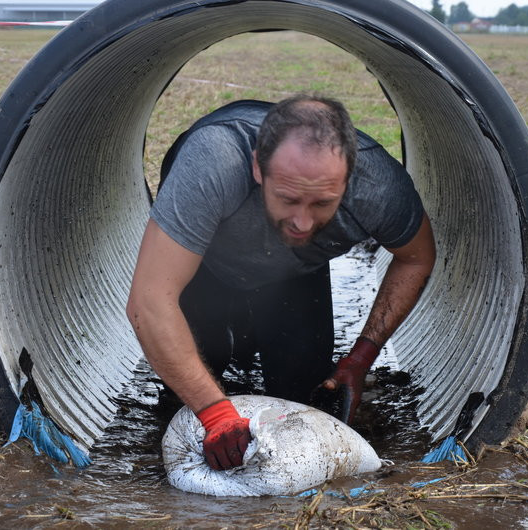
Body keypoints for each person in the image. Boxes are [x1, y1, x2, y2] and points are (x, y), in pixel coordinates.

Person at [126, 95, 435, 471]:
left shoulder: (378, 187)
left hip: (297, 271)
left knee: (303, 394)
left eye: (322, 203)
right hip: (208, 262)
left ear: (349, 177)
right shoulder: (214, 161)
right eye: (288, 198)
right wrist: (215, 412)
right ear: (258, 167)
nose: (302, 221)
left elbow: (416, 258)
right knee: (190, 383)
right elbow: (151, 300)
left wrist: (360, 359)